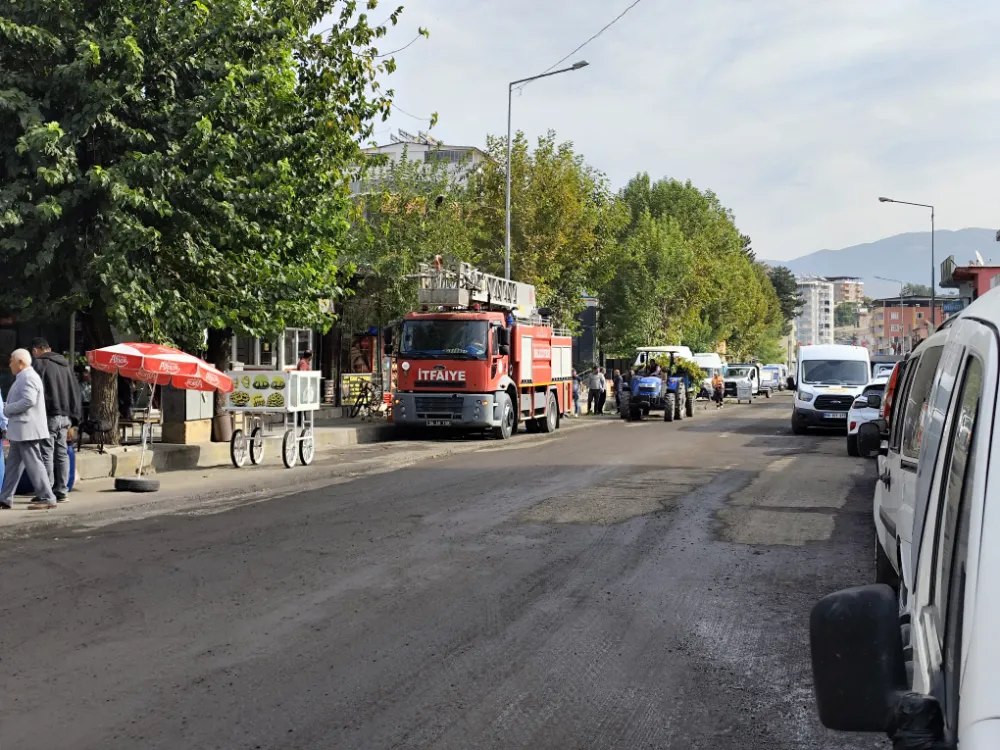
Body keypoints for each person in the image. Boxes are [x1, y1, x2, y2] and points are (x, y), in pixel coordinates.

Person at [0, 349, 57, 509]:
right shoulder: (24, 377)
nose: (9, 363)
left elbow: (28, 400)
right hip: (21, 430)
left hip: (27, 429)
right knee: (13, 465)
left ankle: (47, 497)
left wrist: (7, 409)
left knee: (34, 462)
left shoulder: (28, 377)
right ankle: (5, 498)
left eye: (12, 360)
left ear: (20, 362)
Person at [31, 337, 81, 502]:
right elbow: (75, 391)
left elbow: (35, 392)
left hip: (49, 414)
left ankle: (47, 491)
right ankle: (62, 490)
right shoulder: (65, 365)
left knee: (46, 453)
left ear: (35, 350)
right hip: (65, 416)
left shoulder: (39, 364)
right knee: (62, 453)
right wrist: (74, 419)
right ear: (49, 348)